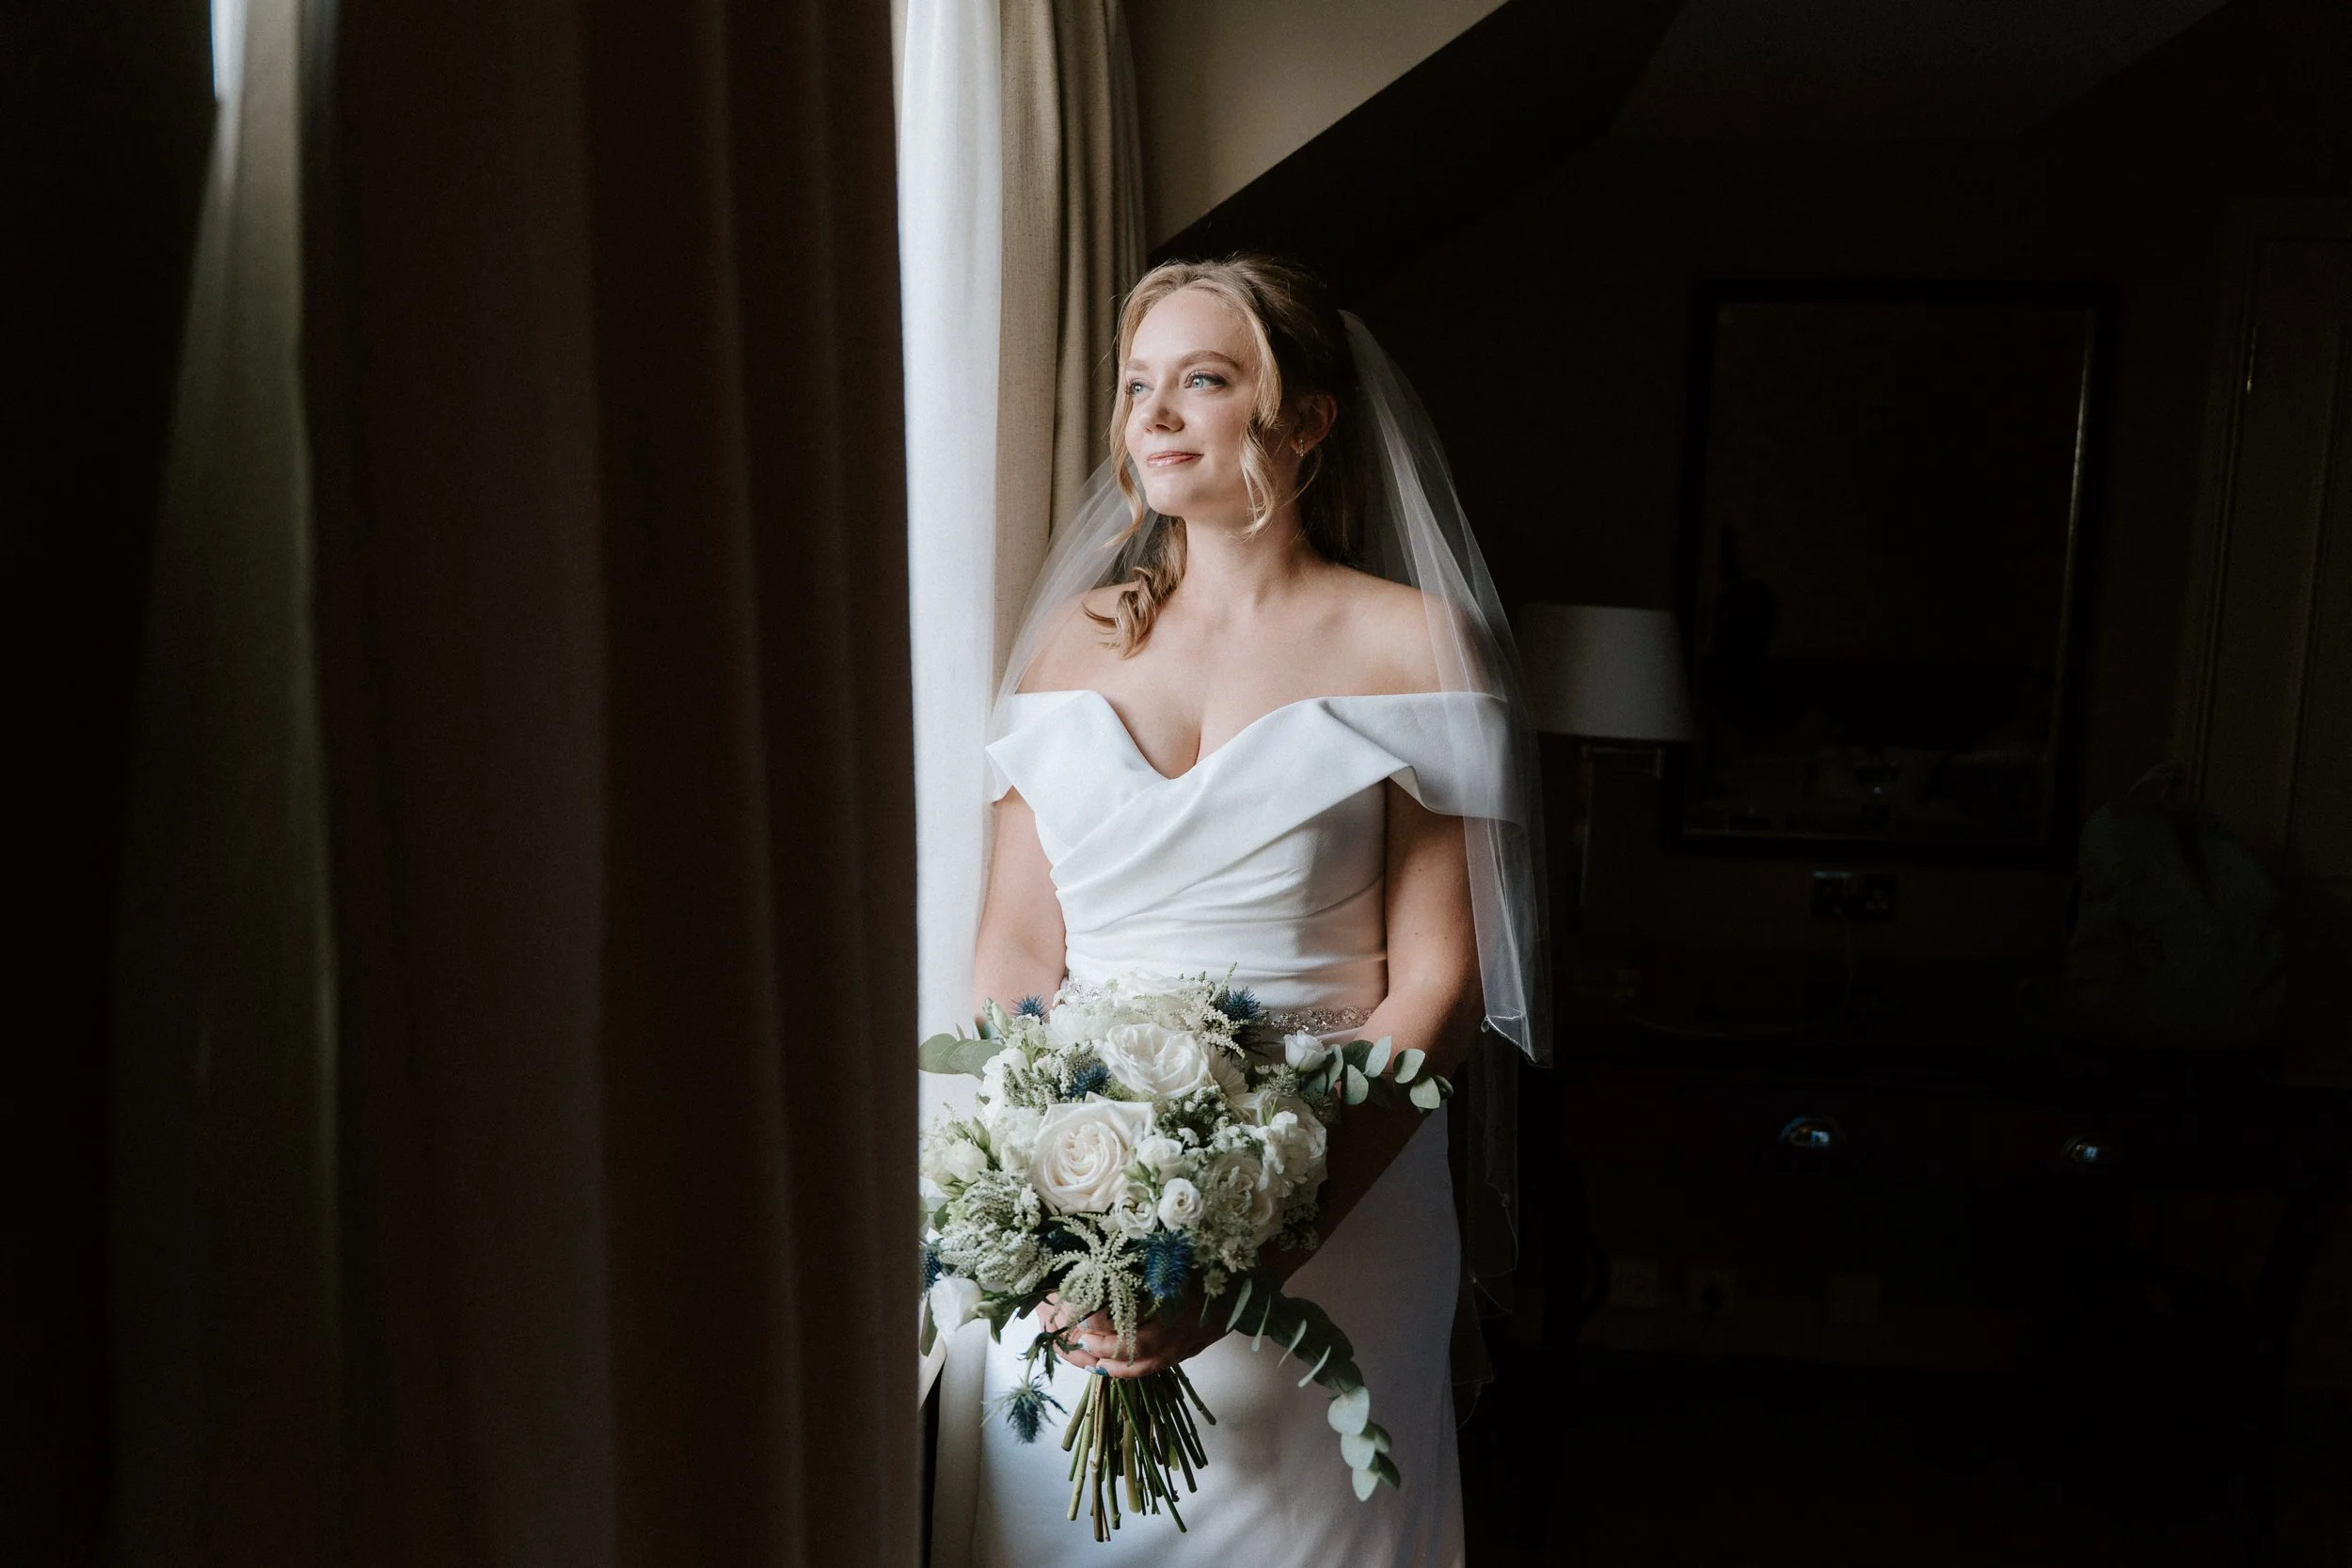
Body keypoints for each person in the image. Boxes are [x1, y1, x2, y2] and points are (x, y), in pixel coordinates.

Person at [954, 255, 1542, 1567]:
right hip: (1077, 1217)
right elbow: (1012, 949)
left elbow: (1437, 984)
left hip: (1342, 1197)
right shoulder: (1066, 643)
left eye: (1203, 381)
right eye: (1137, 384)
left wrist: (1259, 1243)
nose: (1154, 416)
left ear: (1307, 416)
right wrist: (1049, 1191)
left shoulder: (1415, 643)